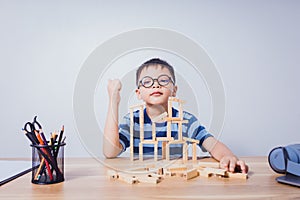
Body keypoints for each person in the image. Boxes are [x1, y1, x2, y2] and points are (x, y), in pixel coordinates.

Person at [103, 58, 248, 173]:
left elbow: (213, 145)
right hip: (143, 184)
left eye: (163, 80)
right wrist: (113, 101)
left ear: (174, 90)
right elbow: (110, 152)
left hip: (176, 184)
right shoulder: (133, 121)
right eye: (147, 82)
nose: (155, 85)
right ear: (138, 93)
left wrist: (227, 157)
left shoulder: (186, 121)